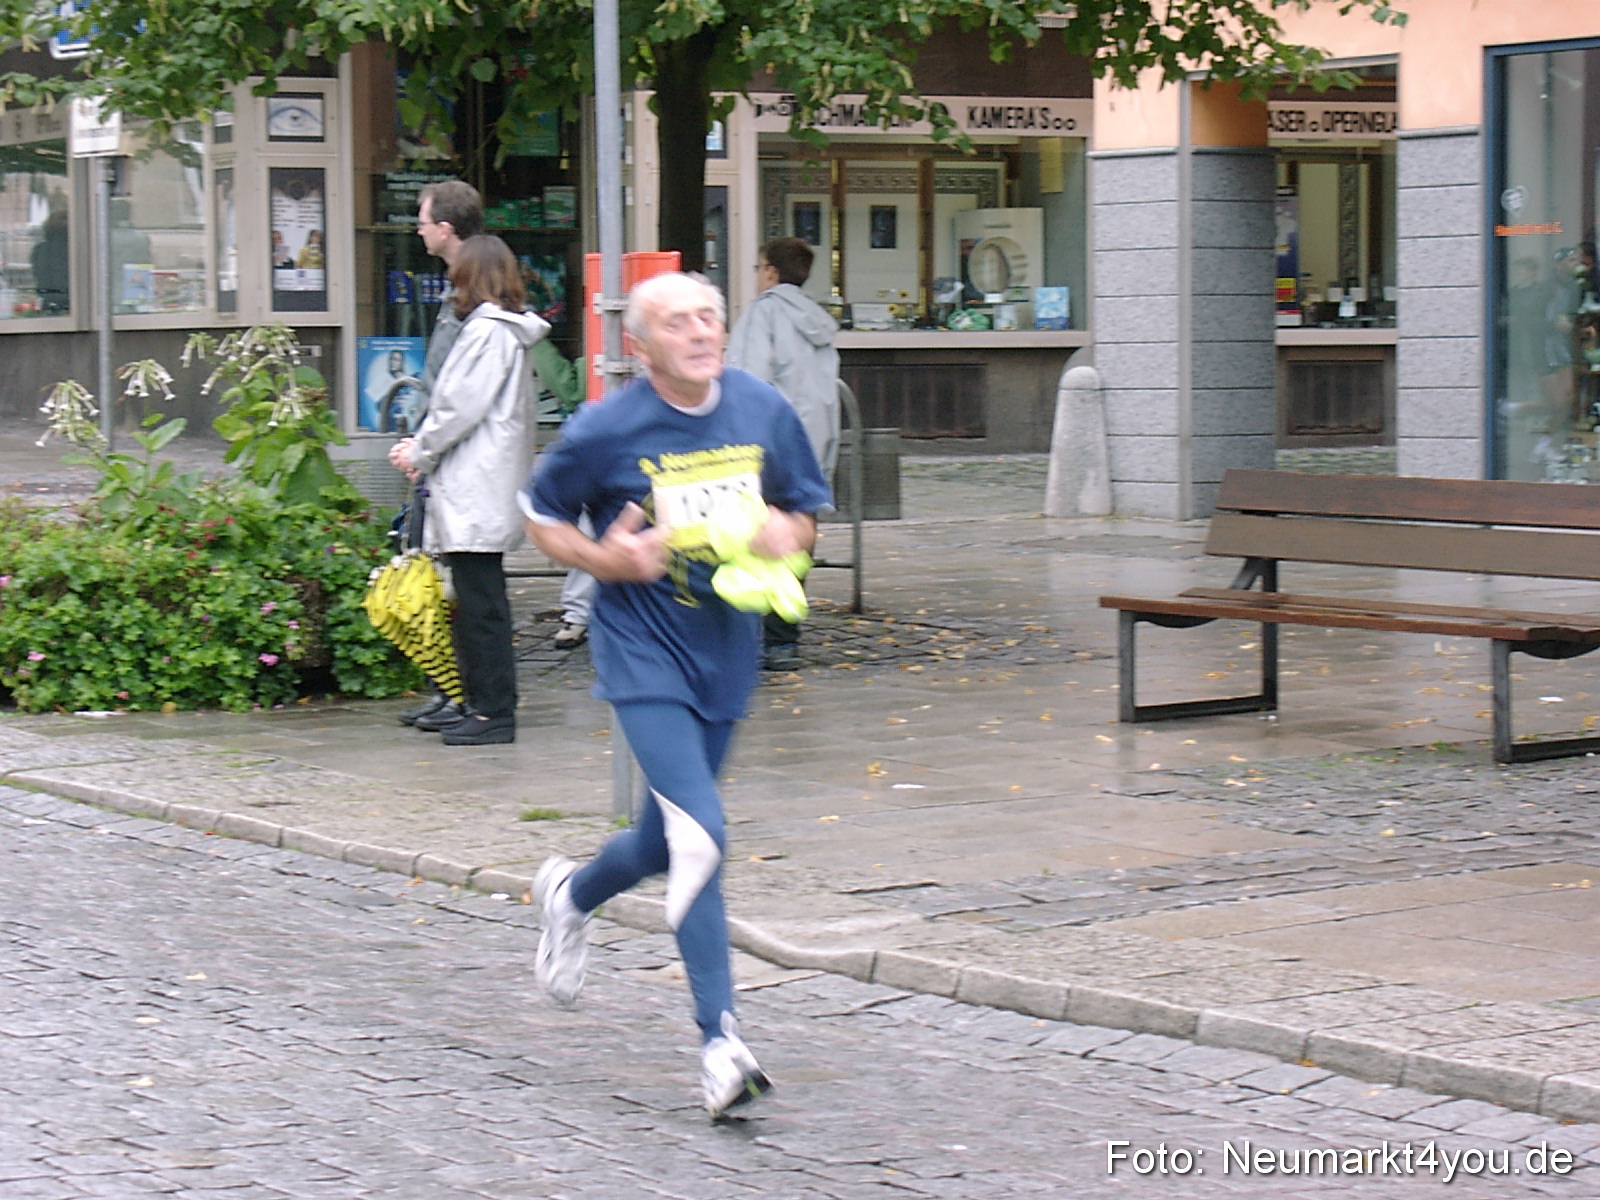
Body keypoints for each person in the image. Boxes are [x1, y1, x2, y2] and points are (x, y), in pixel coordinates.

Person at [521, 272, 832, 1117]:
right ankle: (720, 1042)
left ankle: (571, 893)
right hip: (642, 652)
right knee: (702, 836)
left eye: (710, 318)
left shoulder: (762, 410)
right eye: (678, 322)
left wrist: (785, 532)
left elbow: (805, 515)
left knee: (666, 839)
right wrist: (604, 561)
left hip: (726, 650)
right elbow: (539, 514)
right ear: (641, 343)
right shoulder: (605, 427)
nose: (700, 333)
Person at [388, 235, 548, 746]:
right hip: (484, 480)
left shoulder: (487, 333)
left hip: (476, 483)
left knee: (481, 607)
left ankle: (492, 711)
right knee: (479, 601)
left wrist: (420, 450)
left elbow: (458, 407)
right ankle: (482, 705)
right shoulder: (503, 332)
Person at [726, 237, 840, 670]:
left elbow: (747, 380)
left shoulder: (764, 313)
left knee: (750, 532)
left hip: (769, 442)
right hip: (813, 438)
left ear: (771, 270)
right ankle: (784, 635)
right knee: (798, 533)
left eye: (759, 267)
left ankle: (752, 632)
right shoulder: (818, 320)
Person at [397, 180, 485, 731]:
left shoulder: (476, 289)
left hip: (452, 457)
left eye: (424, 221)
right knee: (434, 574)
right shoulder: (459, 285)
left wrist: (423, 445)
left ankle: (462, 697)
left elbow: (457, 390)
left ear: (446, 229)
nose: (419, 229)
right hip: (433, 449)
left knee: (457, 583)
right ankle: (446, 689)